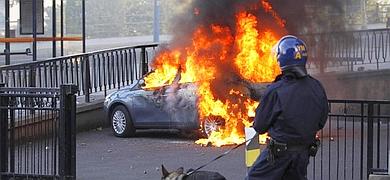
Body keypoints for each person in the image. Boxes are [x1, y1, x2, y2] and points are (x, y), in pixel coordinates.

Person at [246, 35, 329, 180]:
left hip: (278, 155)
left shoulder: (276, 90)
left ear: (281, 59)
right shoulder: (317, 86)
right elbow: (321, 121)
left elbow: (259, 126)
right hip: (303, 155)